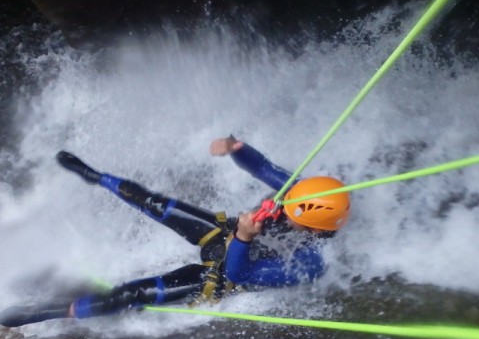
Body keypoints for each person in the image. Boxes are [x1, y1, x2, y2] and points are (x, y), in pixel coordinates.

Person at [0, 136, 350, 327]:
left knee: (135, 295)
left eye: (290, 212)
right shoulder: (302, 193)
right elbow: (261, 166)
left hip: (224, 274)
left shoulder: (311, 263)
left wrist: (245, 236)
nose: (283, 205)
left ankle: (53, 312)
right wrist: (235, 148)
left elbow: (238, 271)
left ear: (310, 227)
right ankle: (96, 177)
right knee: (156, 203)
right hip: (229, 236)